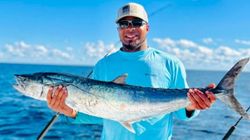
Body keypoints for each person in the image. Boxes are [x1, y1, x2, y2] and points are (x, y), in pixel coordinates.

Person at [46, 2, 216, 140]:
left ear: (147, 28)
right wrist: (70, 111)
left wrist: (193, 105)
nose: (130, 28)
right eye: (123, 24)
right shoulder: (103, 65)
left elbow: (183, 113)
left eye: (136, 23)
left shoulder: (171, 63)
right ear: (118, 29)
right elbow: (99, 114)